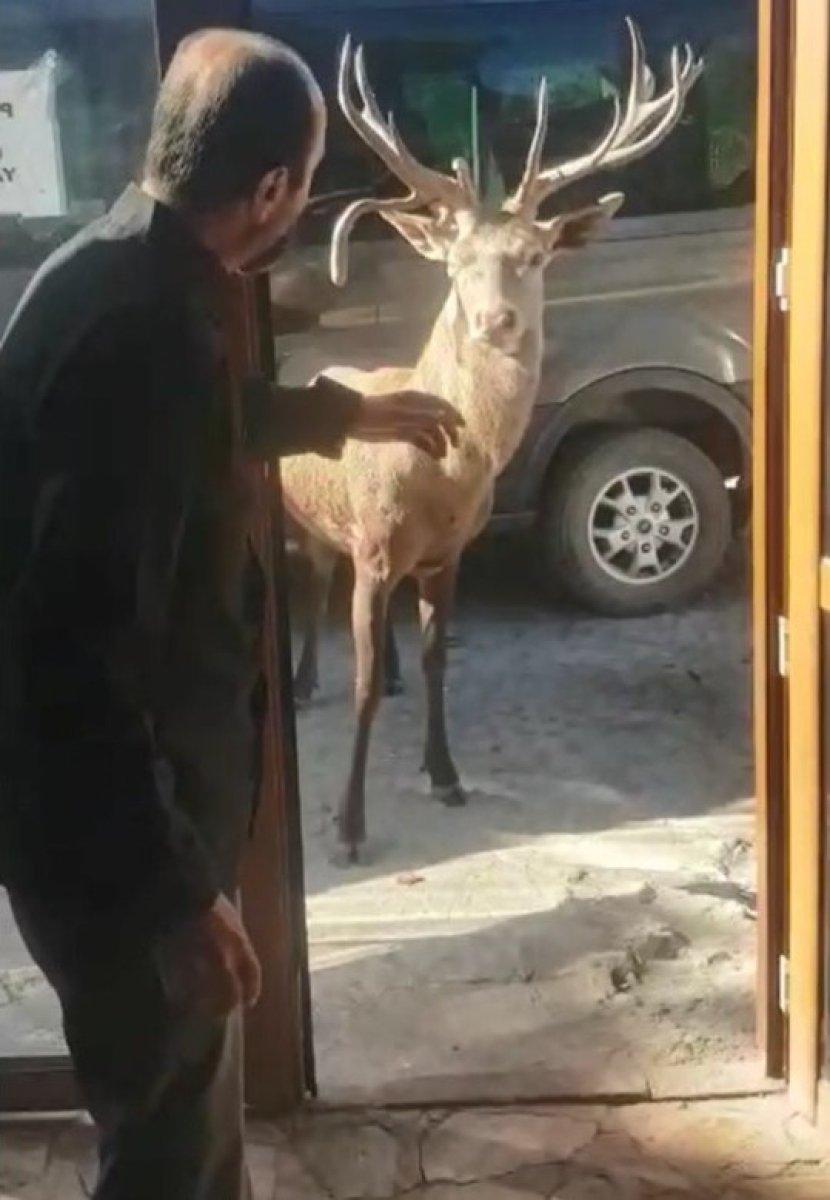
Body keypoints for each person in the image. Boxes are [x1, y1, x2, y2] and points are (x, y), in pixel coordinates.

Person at [0, 28, 462, 1200]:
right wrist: (178, 895)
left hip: (86, 838)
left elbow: (161, 445)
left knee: (179, 1138)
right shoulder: (150, 333)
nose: (303, 203)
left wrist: (327, 417)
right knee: (170, 1161)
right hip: (116, 859)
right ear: (269, 192)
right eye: (306, 181)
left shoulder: (111, 269)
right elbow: (73, 658)